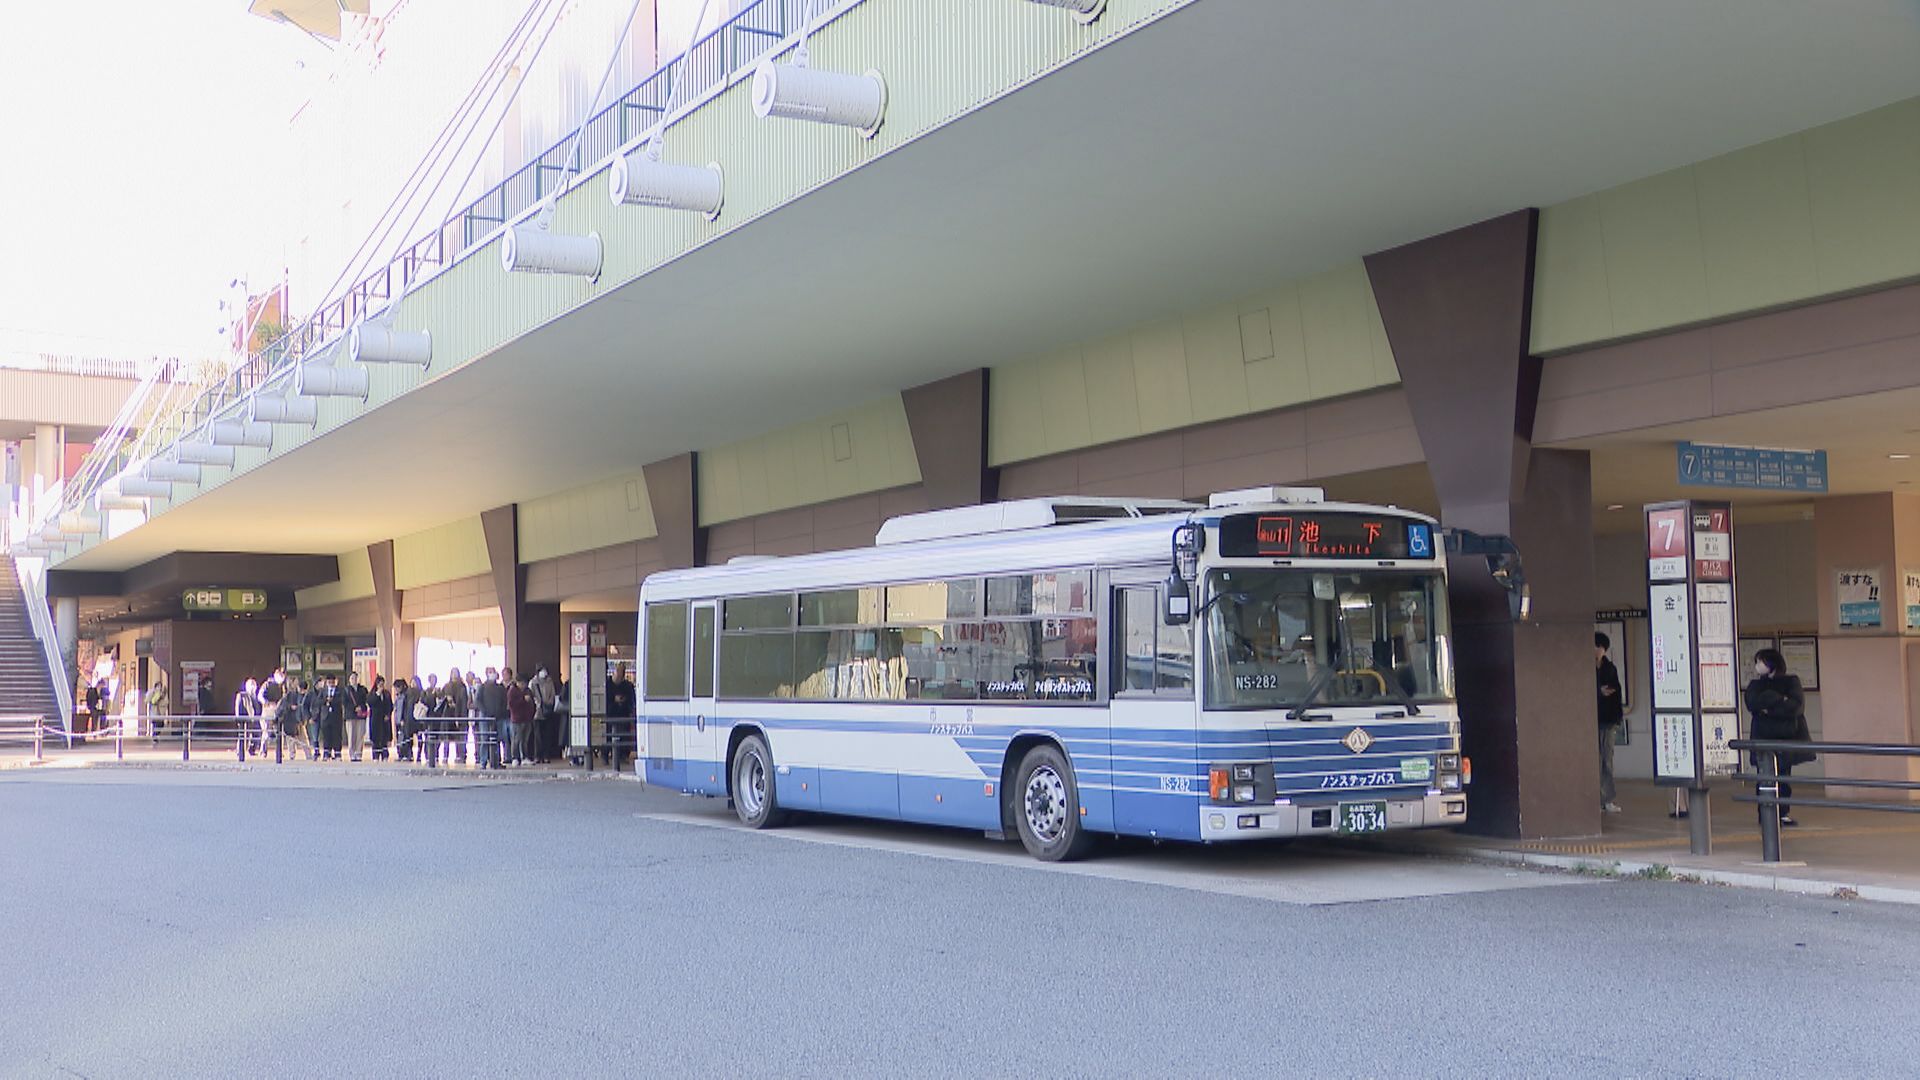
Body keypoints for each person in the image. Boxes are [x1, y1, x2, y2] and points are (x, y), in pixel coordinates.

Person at [1744, 647, 1813, 827]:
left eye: (1761, 661)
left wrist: (1768, 708)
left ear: (1771, 664)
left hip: (1785, 738)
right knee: (1764, 778)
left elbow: (1796, 707)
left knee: (1783, 777)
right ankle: (1765, 813)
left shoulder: (1791, 682)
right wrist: (1779, 700)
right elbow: (1752, 704)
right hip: (1763, 738)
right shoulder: (1755, 685)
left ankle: (1782, 812)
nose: (1757, 666)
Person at [1595, 632, 1624, 814]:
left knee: (1607, 761)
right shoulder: (1584, 668)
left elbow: (1616, 692)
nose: (1595, 650)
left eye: (1598, 647)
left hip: (1608, 721)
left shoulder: (1610, 669)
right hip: (1591, 721)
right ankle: (1594, 799)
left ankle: (1607, 800)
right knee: (1594, 762)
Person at [479, 667, 509, 769]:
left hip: (498, 717)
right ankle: (483, 762)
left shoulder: (500, 688)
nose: (492, 674)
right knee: (485, 739)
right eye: (490, 672)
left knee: (497, 739)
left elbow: (504, 701)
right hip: (485, 717)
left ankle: (496, 761)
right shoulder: (482, 687)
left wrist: (501, 712)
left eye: (493, 672)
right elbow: (477, 701)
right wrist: (485, 711)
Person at [608, 664, 636, 769]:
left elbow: (631, 700)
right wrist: (614, 700)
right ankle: (608, 755)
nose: (621, 675)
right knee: (610, 736)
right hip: (611, 714)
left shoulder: (627, 686)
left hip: (623, 714)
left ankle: (623, 755)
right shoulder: (608, 684)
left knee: (624, 735)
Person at [529, 666, 558, 763]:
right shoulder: (533, 682)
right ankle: (537, 756)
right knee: (537, 736)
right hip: (537, 712)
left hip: (547, 711)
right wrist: (537, 704)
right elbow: (530, 695)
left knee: (547, 735)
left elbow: (553, 694)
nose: (544, 672)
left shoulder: (549, 681)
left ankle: (546, 755)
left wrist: (549, 702)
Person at [507, 670, 536, 766]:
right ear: (518, 682)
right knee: (516, 739)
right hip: (517, 719)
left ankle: (525, 757)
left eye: (525, 683)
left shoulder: (528, 691)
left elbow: (533, 703)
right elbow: (512, 705)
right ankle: (515, 757)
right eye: (522, 683)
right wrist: (523, 700)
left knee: (525, 740)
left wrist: (532, 714)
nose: (523, 685)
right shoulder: (512, 691)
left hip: (527, 719)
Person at [318, 674, 347, 761]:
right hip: (326, 716)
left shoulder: (340, 690)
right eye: (329, 682)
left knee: (337, 735)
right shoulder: (323, 691)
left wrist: (333, 701)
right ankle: (327, 752)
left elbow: (342, 700)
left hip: (336, 716)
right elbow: (318, 701)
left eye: (333, 682)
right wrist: (326, 700)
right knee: (326, 735)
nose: (331, 683)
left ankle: (337, 753)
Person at [344, 671, 370, 762]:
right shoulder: (346, 690)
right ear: (349, 680)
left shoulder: (363, 689)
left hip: (360, 715)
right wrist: (354, 708)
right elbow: (345, 703)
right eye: (352, 678)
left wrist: (361, 707)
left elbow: (366, 700)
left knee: (360, 735)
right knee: (351, 735)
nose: (354, 680)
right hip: (350, 715)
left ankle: (358, 753)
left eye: (355, 678)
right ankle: (352, 753)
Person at [368, 675, 395, 761]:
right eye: (379, 684)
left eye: (382, 684)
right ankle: (375, 755)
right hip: (375, 719)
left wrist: (388, 714)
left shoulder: (387, 694)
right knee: (376, 739)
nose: (381, 686)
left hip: (384, 720)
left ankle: (385, 755)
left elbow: (390, 706)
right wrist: (377, 694)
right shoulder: (372, 693)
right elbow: (370, 703)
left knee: (384, 738)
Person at [234, 678, 262, 755]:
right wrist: (238, 718)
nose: (253, 687)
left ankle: (252, 750)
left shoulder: (256, 696)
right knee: (243, 736)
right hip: (245, 719)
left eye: (254, 685)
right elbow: (238, 707)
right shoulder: (241, 695)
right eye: (251, 685)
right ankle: (239, 751)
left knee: (256, 735)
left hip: (255, 719)